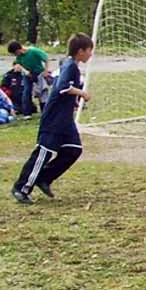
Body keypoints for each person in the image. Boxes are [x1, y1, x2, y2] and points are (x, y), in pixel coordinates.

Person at [10, 33, 94, 205]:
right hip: (54, 119)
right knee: (43, 153)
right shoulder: (70, 65)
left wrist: (74, 102)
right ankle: (21, 188)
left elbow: (60, 87)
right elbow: (63, 87)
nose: (90, 54)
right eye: (89, 50)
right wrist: (82, 93)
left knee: (73, 149)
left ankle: (45, 178)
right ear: (80, 51)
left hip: (65, 120)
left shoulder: (69, 64)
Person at [7, 40, 49, 119]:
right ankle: (27, 113)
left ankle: (45, 110)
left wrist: (46, 70)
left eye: (15, 53)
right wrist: (25, 71)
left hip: (38, 73)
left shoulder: (33, 51)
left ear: (18, 50)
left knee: (42, 92)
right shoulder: (19, 56)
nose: (16, 55)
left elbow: (46, 58)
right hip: (27, 74)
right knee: (26, 92)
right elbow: (18, 63)